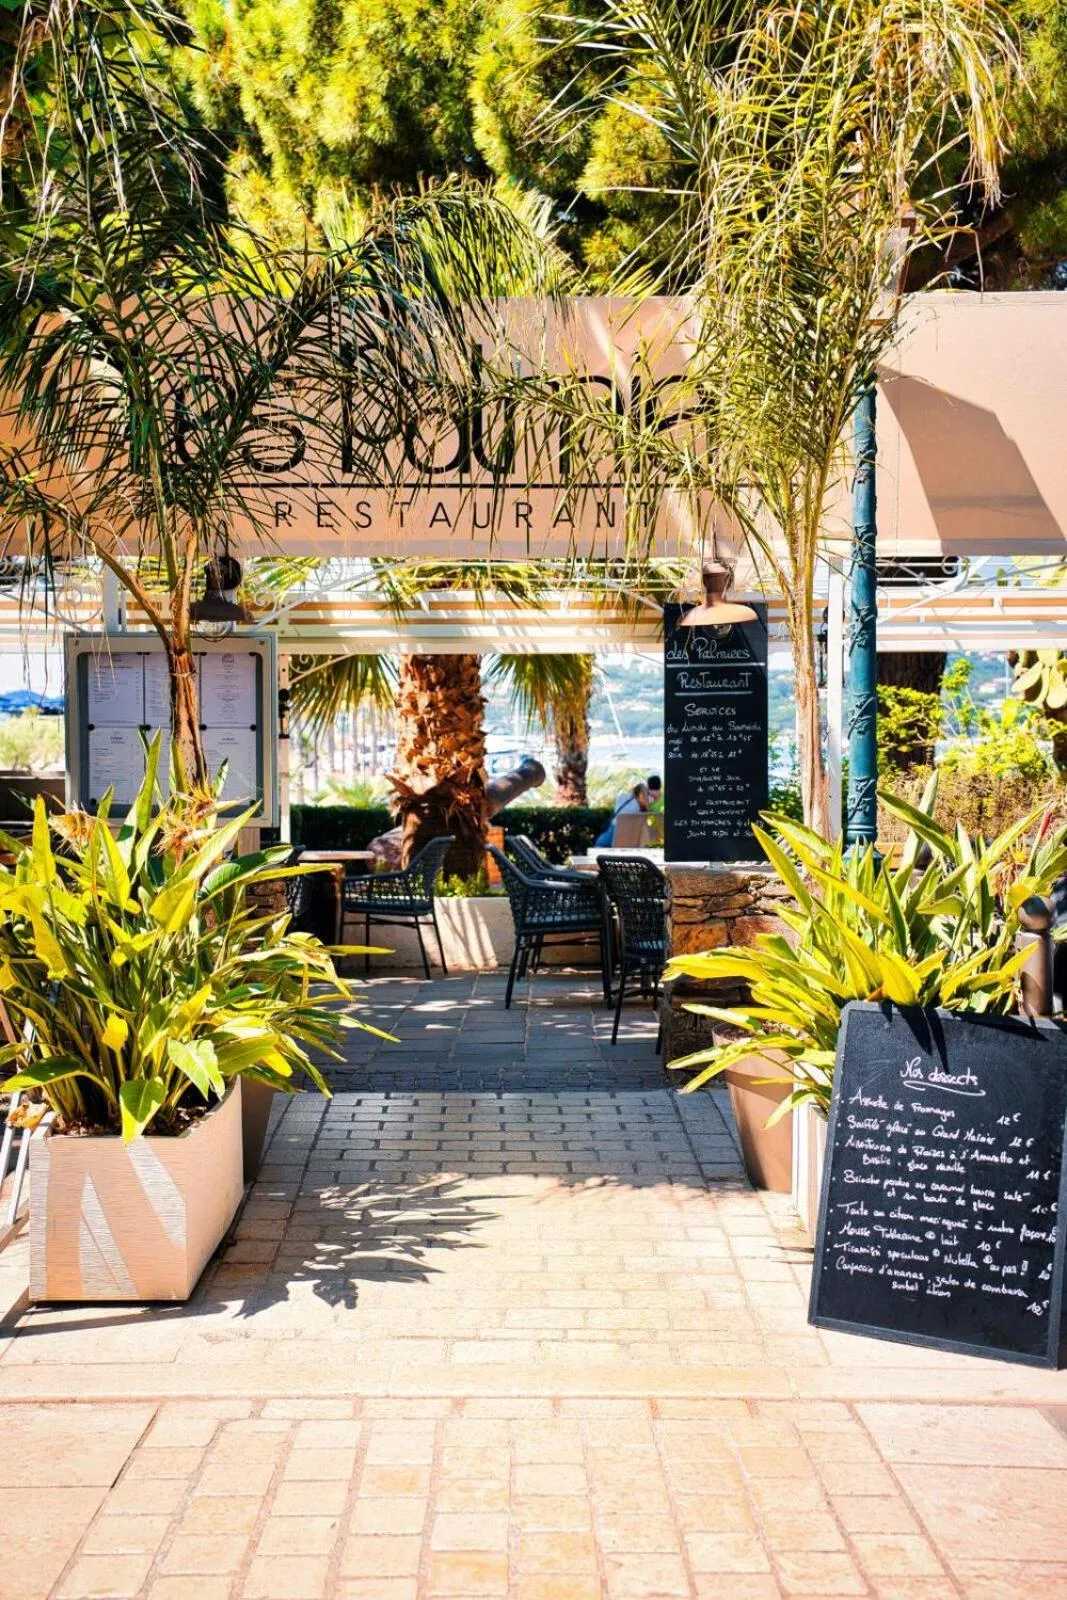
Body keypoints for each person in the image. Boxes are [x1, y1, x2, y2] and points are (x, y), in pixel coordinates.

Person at [595, 774, 663, 848]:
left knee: (600, 844)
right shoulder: (637, 808)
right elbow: (648, 801)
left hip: (607, 836)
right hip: (626, 839)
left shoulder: (622, 797)